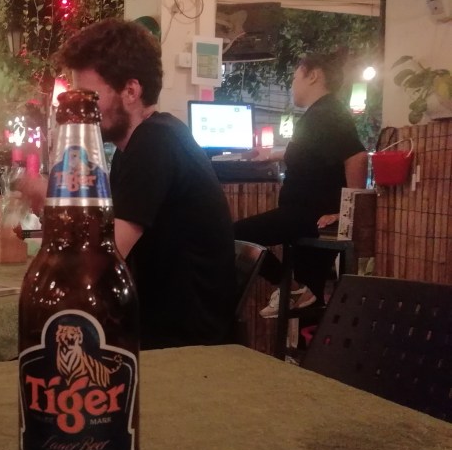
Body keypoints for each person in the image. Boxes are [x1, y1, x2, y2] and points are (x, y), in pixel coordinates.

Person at [23, 18, 236, 349]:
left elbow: (101, 258)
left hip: (182, 347)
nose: (83, 111)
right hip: (150, 326)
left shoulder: (156, 142)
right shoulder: (137, 146)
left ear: (131, 92)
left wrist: (50, 200)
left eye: (90, 99)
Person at [234, 50, 367, 317]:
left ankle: (290, 287)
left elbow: (357, 156)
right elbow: (308, 152)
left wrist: (348, 212)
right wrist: (269, 154)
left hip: (307, 215)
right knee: (310, 300)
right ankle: (297, 290)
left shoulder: (327, 113)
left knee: (231, 235)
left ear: (313, 76)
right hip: (303, 213)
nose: (292, 85)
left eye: (295, 78)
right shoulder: (321, 113)